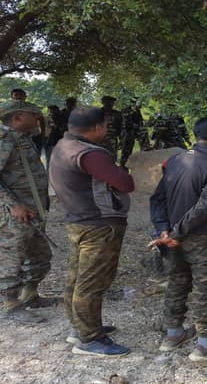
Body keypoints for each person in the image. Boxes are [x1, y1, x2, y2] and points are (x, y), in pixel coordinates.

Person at [49, 106, 135, 356]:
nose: (107, 130)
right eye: (106, 126)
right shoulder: (90, 154)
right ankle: (90, 339)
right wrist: (122, 171)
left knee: (76, 278)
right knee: (92, 283)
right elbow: (125, 183)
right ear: (98, 127)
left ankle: (79, 328)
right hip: (99, 225)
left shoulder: (63, 146)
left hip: (79, 221)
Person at [149, 117, 207, 362]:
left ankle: (173, 334)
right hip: (203, 238)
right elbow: (204, 206)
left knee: (176, 284)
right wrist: (176, 233)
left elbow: (157, 199)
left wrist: (164, 231)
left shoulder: (175, 160)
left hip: (172, 237)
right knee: (205, 289)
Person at [0, 101, 53, 324]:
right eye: (34, 114)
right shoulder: (4, 139)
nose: (39, 118)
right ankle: (10, 304)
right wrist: (13, 205)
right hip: (15, 214)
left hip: (32, 210)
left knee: (40, 255)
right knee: (12, 258)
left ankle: (29, 294)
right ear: (18, 117)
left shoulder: (22, 138)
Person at [9, 88, 45, 153]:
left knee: (35, 156)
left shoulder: (33, 107)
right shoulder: (6, 108)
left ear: (25, 96)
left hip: (34, 137)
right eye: (16, 95)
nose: (18, 97)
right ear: (12, 97)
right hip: (14, 137)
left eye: (21, 94)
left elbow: (41, 120)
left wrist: (43, 133)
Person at [120, 100, 150, 166]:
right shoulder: (126, 111)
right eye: (138, 104)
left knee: (145, 148)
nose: (139, 106)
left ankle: (145, 163)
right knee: (126, 152)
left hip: (136, 132)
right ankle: (123, 167)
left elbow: (141, 123)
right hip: (128, 132)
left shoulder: (138, 111)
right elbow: (126, 124)